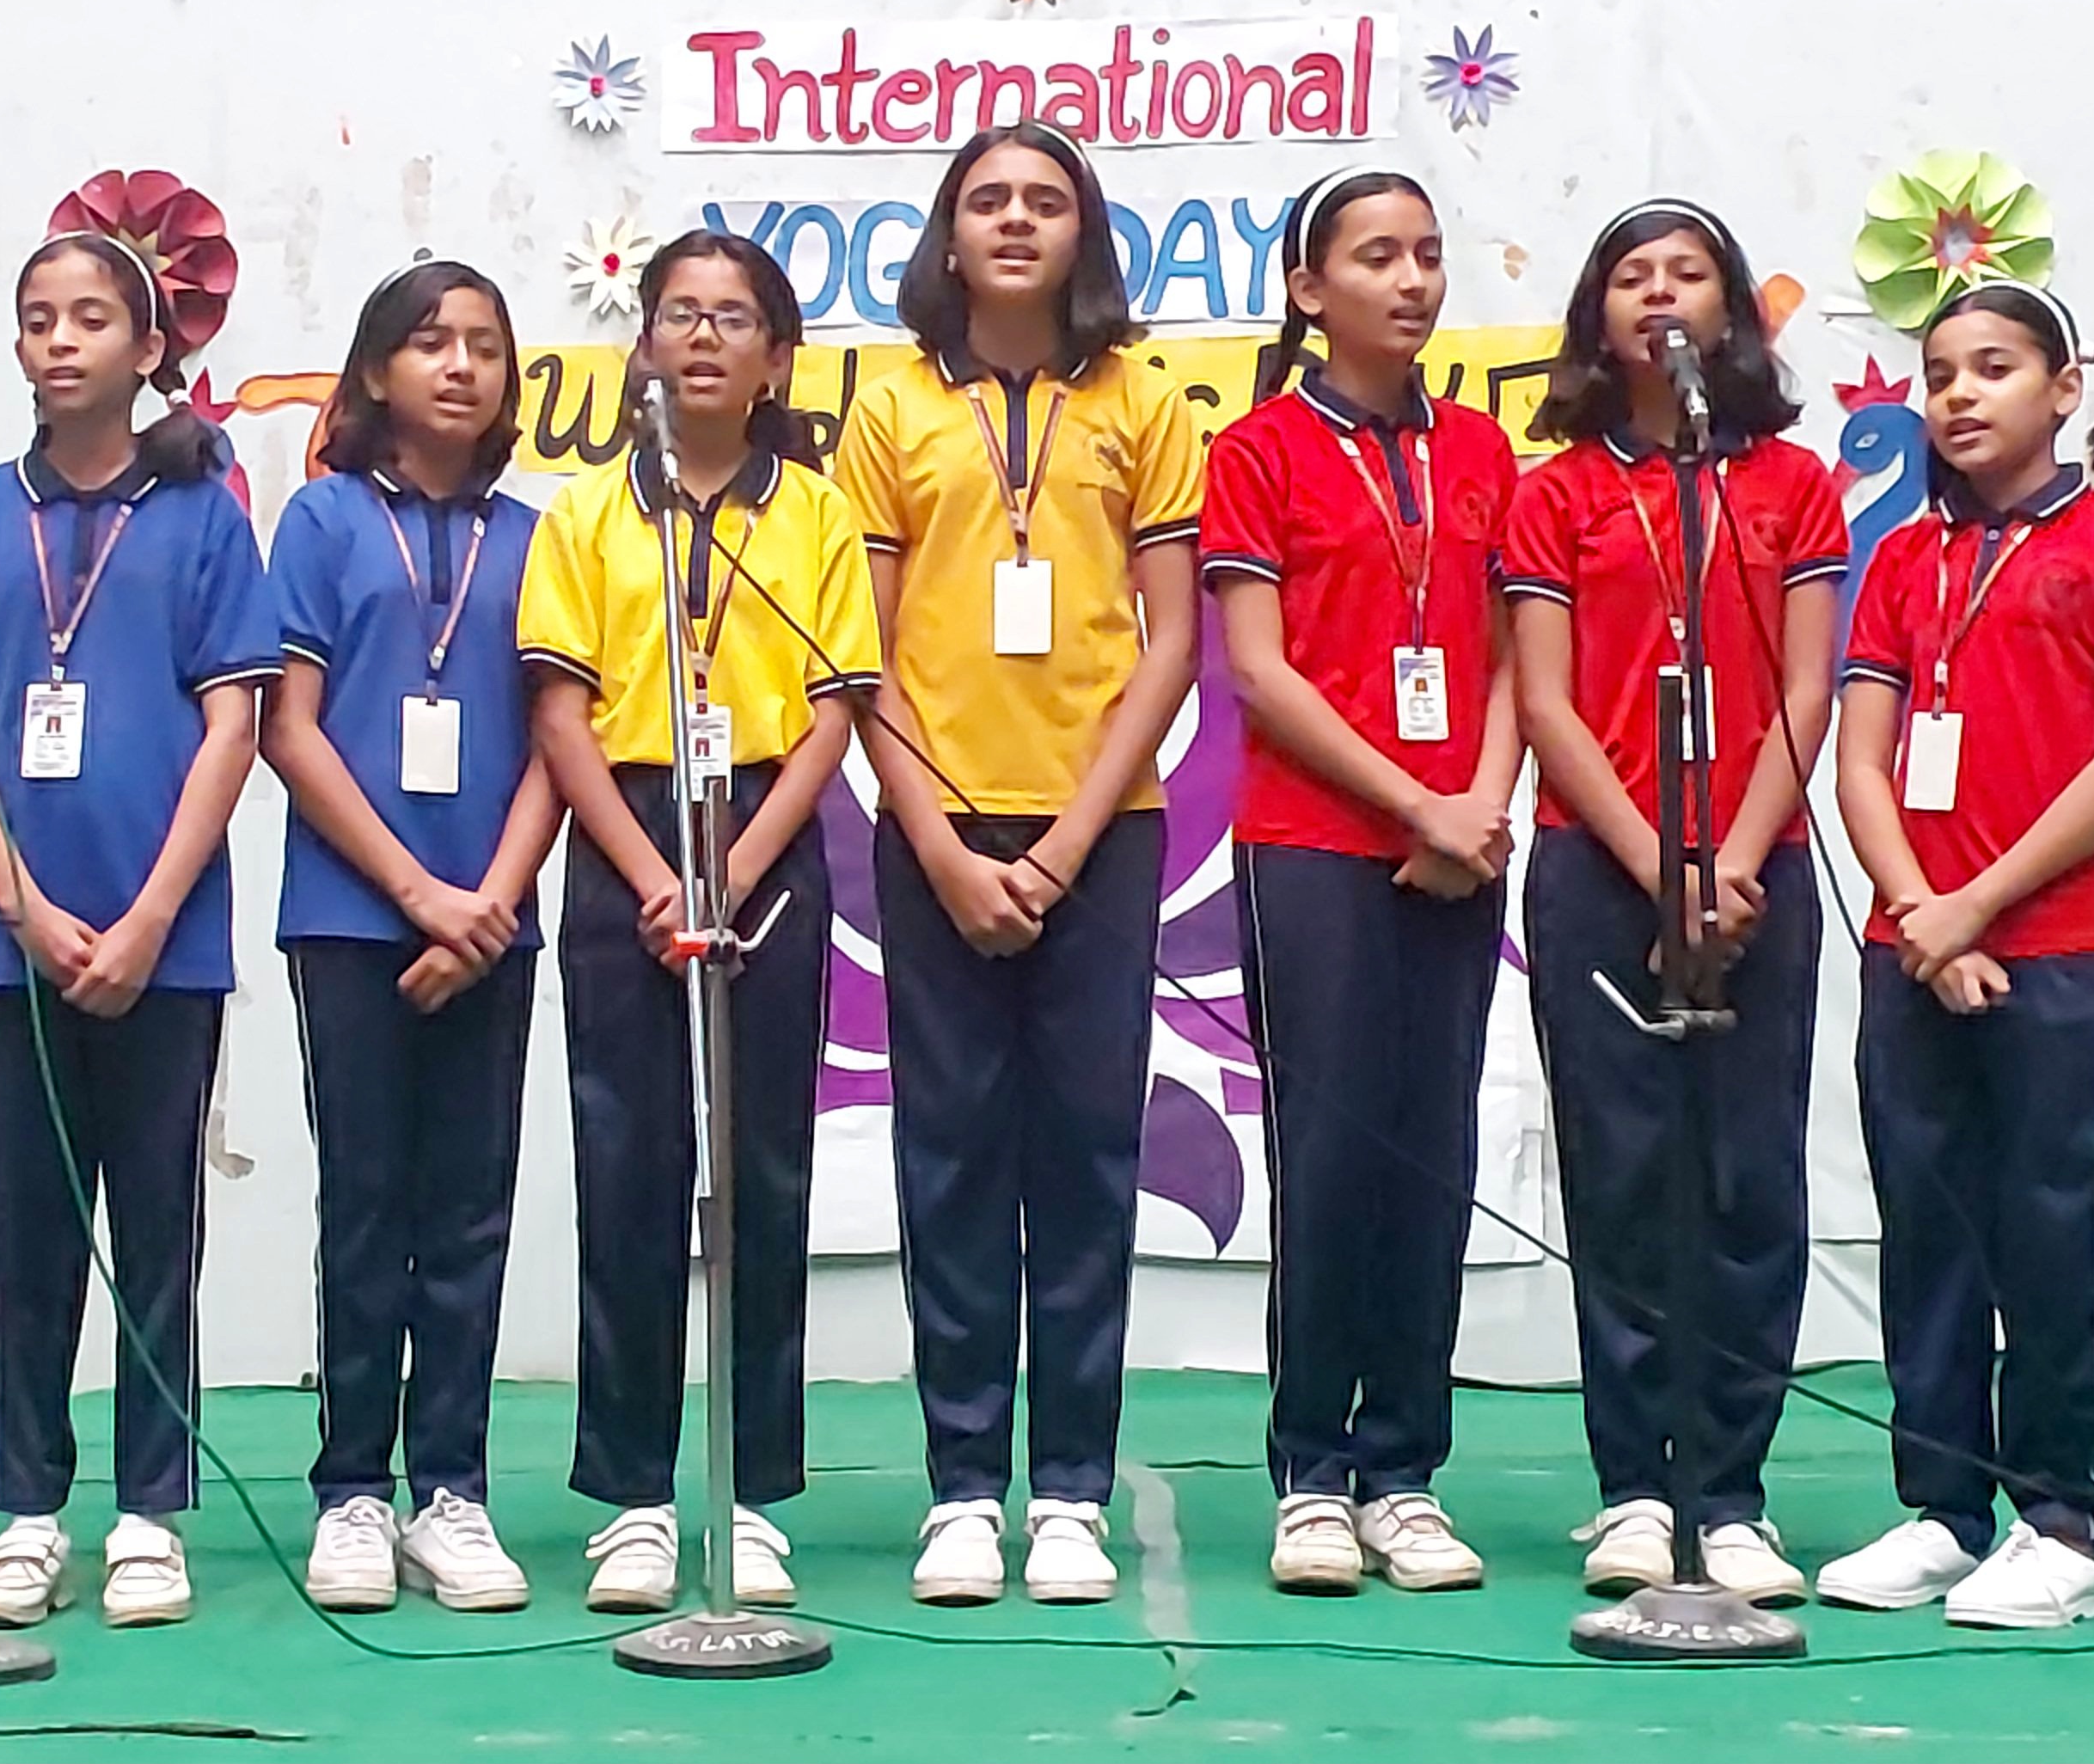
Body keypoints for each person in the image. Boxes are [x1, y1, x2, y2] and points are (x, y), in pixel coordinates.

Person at [830, 121, 1200, 1608]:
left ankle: (1071, 1493)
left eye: (1047, 201)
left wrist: (1060, 850)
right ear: (948, 234)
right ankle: (965, 1487)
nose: (1016, 221)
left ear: (1083, 234)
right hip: (935, 835)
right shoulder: (888, 407)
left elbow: (1171, 643)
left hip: (1100, 835)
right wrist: (937, 838)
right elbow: (860, 655)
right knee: (953, 1157)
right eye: (987, 200)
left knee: (1091, 1160)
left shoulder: (1144, 399)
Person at [517, 229, 880, 1614]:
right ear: (645, 347)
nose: (705, 337)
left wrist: (736, 868)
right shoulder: (587, 515)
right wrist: (657, 875)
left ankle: (751, 1488)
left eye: (735, 318)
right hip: (628, 841)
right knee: (629, 1172)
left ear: (777, 359)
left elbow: (834, 712)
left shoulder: (817, 515)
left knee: (764, 1175)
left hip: (767, 841)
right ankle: (630, 1497)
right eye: (680, 313)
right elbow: (562, 717)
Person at [1817, 284, 2094, 1630]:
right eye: (1939, 375)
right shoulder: (1902, 562)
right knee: (1927, 1228)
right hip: (1914, 944)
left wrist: (1976, 908)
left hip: (2069, 946)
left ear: (2065, 390)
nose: (1959, 396)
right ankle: (1941, 1507)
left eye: (1993, 369)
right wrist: (1923, 914)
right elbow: (1861, 763)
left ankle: (2060, 1521)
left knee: (2048, 1226)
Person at [1501, 198, 1849, 1608]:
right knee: (1625, 1176)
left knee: (1749, 1178)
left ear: (1729, 312)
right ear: (1598, 315)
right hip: (1602, 868)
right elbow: (1545, 702)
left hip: (1758, 865)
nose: (1660, 294)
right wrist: (1664, 868)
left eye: (1687, 274)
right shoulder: (1556, 493)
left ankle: (1735, 1490)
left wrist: (1734, 861)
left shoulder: (1792, 486)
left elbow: (1807, 687)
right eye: (1632, 276)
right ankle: (1636, 1489)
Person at [0, 230, 278, 1630]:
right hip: (7, 935)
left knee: (156, 1230)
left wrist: (147, 916)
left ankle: (150, 1511)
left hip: (161, 943)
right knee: (26, 1233)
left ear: (149, 349)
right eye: (38, 319)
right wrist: (19, 901)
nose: (61, 341)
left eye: (90, 319)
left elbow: (233, 723)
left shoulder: (203, 516)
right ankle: (27, 1512)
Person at [1201, 168, 1519, 1596]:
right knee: (1329, 1160)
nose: (1411, 280)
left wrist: (1480, 805)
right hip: (1316, 845)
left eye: (1428, 255)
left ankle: (1407, 1471)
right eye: (1377, 256)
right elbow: (1261, 674)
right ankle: (1314, 1472)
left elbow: (1516, 658)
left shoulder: (1485, 452)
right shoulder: (1258, 450)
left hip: (1461, 844)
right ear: (1308, 288)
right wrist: (1415, 803)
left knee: (1433, 1152)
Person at [264, 262, 563, 1614]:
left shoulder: (537, 536)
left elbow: (560, 739)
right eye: (431, 342)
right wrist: (417, 895)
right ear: (377, 369)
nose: (459, 365)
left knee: (468, 1212)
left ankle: (452, 1488)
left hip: (494, 918)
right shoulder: (323, 520)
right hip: (351, 919)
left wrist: (488, 899)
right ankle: (352, 1490)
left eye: (484, 346)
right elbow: (288, 729)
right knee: (365, 1203)